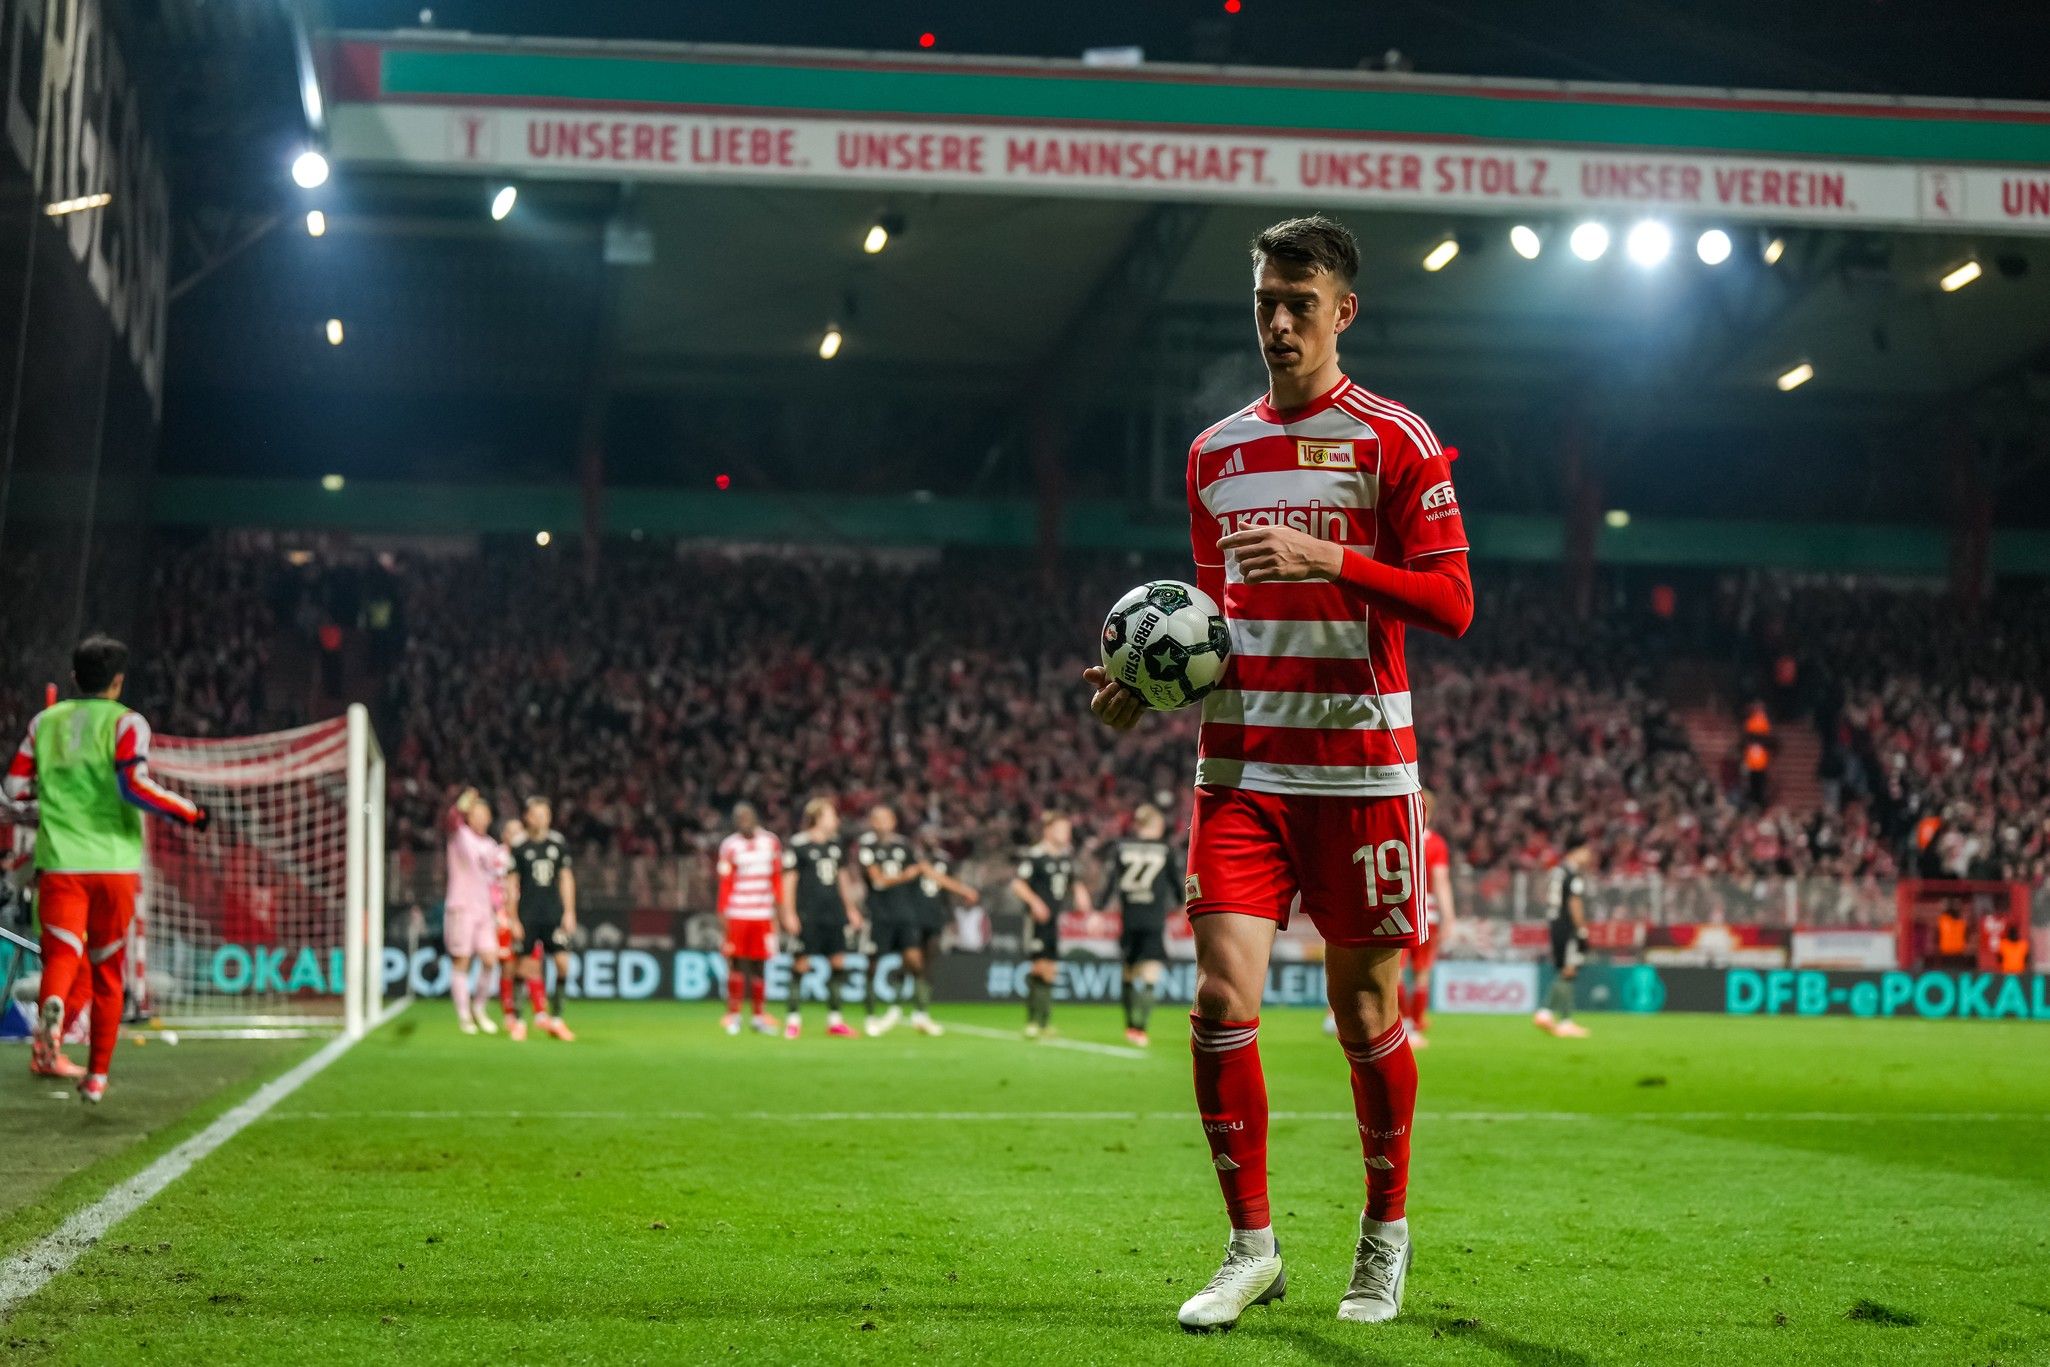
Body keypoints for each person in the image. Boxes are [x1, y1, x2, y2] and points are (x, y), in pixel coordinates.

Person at [1081, 214, 1472, 1331]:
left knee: (1361, 1006)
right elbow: (1215, 626)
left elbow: (1452, 603)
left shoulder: (1395, 440)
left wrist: (1328, 556)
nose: (1281, 321)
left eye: (1302, 301)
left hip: (1357, 767)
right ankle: (1251, 1245)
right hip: (1243, 761)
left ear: (1343, 311)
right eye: (1266, 301)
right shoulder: (1213, 453)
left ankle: (1383, 1234)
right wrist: (1144, 690)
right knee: (1216, 997)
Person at [7, 635, 208, 1101]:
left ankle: (50, 1029)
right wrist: (190, 813)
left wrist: (51, 803)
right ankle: (96, 1076)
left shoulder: (44, 722)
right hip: (114, 865)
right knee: (108, 972)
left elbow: (15, 788)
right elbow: (133, 786)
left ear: (75, 678)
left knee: (60, 959)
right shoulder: (128, 722)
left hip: (59, 862)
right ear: (118, 681)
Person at [1096, 804, 1183, 1047]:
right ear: (1156, 826)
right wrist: (1180, 904)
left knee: (1128, 972)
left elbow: (1109, 883)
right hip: (1154, 919)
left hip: (1130, 919)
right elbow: (1177, 887)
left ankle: (1129, 1025)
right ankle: (1141, 1028)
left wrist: (1099, 909)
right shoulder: (1165, 851)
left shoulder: (1122, 848)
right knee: (1150, 973)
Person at [778, 797, 863, 1039]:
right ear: (818, 817)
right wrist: (789, 913)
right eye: (831, 814)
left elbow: (842, 879)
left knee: (838, 963)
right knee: (801, 964)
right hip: (808, 913)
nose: (836, 819)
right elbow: (789, 881)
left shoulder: (836, 846)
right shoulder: (799, 845)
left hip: (833, 912)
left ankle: (835, 1020)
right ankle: (793, 1020)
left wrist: (851, 909)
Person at [1011, 811, 1089, 1039]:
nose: (1066, 834)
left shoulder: (1064, 859)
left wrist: (1081, 894)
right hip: (1036, 921)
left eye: (1067, 830)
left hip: (1054, 920)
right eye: (1061, 829)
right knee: (1039, 967)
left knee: (1051, 969)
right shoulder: (1035, 856)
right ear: (1047, 830)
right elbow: (1018, 884)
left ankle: (1043, 1023)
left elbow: (1074, 882)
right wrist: (1035, 902)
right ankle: (1033, 1021)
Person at [506, 798, 577, 1042]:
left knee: (563, 963)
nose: (541, 818)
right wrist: (513, 918)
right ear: (527, 817)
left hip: (553, 914)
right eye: (536, 814)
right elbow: (511, 884)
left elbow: (566, 878)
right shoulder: (520, 846)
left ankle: (557, 1019)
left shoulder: (557, 844)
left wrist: (569, 912)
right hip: (527, 915)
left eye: (545, 814)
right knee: (524, 967)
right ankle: (517, 1020)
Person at [444, 788, 511, 1035]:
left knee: (490, 959)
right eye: (476, 813)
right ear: (469, 816)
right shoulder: (459, 835)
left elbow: (497, 879)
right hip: (461, 907)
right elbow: (451, 818)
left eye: (485, 814)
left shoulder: (491, 845)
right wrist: (463, 802)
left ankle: (479, 1008)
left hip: (485, 911)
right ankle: (464, 1015)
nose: (481, 818)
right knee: (462, 961)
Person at [854, 804, 923, 1036]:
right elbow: (878, 881)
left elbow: (918, 874)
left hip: (904, 912)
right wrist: (904, 876)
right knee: (872, 964)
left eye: (886, 818)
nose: (882, 823)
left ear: (893, 821)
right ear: (872, 823)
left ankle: (898, 1007)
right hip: (878, 913)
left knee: (913, 960)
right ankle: (871, 1015)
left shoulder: (904, 846)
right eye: (877, 819)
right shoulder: (867, 846)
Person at [715, 803, 781, 1035]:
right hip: (738, 913)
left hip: (762, 914)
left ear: (755, 817)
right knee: (736, 964)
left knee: (759, 966)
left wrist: (779, 913)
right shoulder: (730, 846)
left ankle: (758, 1017)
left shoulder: (771, 842)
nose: (743, 820)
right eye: (738, 817)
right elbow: (725, 884)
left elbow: (776, 879)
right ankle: (733, 1015)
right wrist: (723, 914)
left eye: (747, 816)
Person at [907, 829, 979, 1036]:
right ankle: (897, 1004)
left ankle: (921, 1010)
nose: (930, 838)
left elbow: (947, 892)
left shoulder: (945, 860)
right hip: (911, 916)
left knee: (929, 960)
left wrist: (952, 917)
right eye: (926, 834)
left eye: (933, 834)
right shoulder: (910, 858)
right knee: (911, 960)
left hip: (934, 916)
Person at [1404, 789, 1456, 1047]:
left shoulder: (1398, 838)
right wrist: (1450, 918)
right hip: (1428, 915)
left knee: (1395, 974)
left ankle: (1402, 1025)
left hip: (1397, 912)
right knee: (1422, 972)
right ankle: (1413, 1027)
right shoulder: (1435, 843)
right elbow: (1441, 881)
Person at [1536, 844, 1593, 1038]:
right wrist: (1582, 929)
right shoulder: (1572, 874)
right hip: (1567, 925)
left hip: (1554, 923)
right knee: (1569, 970)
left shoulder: (1557, 872)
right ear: (1574, 851)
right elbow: (1574, 902)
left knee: (1565, 970)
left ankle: (1554, 1016)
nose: (1589, 856)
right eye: (1585, 851)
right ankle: (1550, 1013)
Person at [491, 815, 525, 1034]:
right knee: (507, 966)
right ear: (504, 835)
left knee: (531, 965)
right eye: (512, 831)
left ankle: (538, 1013)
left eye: (519, 831)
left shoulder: (527, 853)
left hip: (526, 915)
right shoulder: (497, 857)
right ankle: (509, 1014)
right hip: (502, 915)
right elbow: (491, 886)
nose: (516, 836)